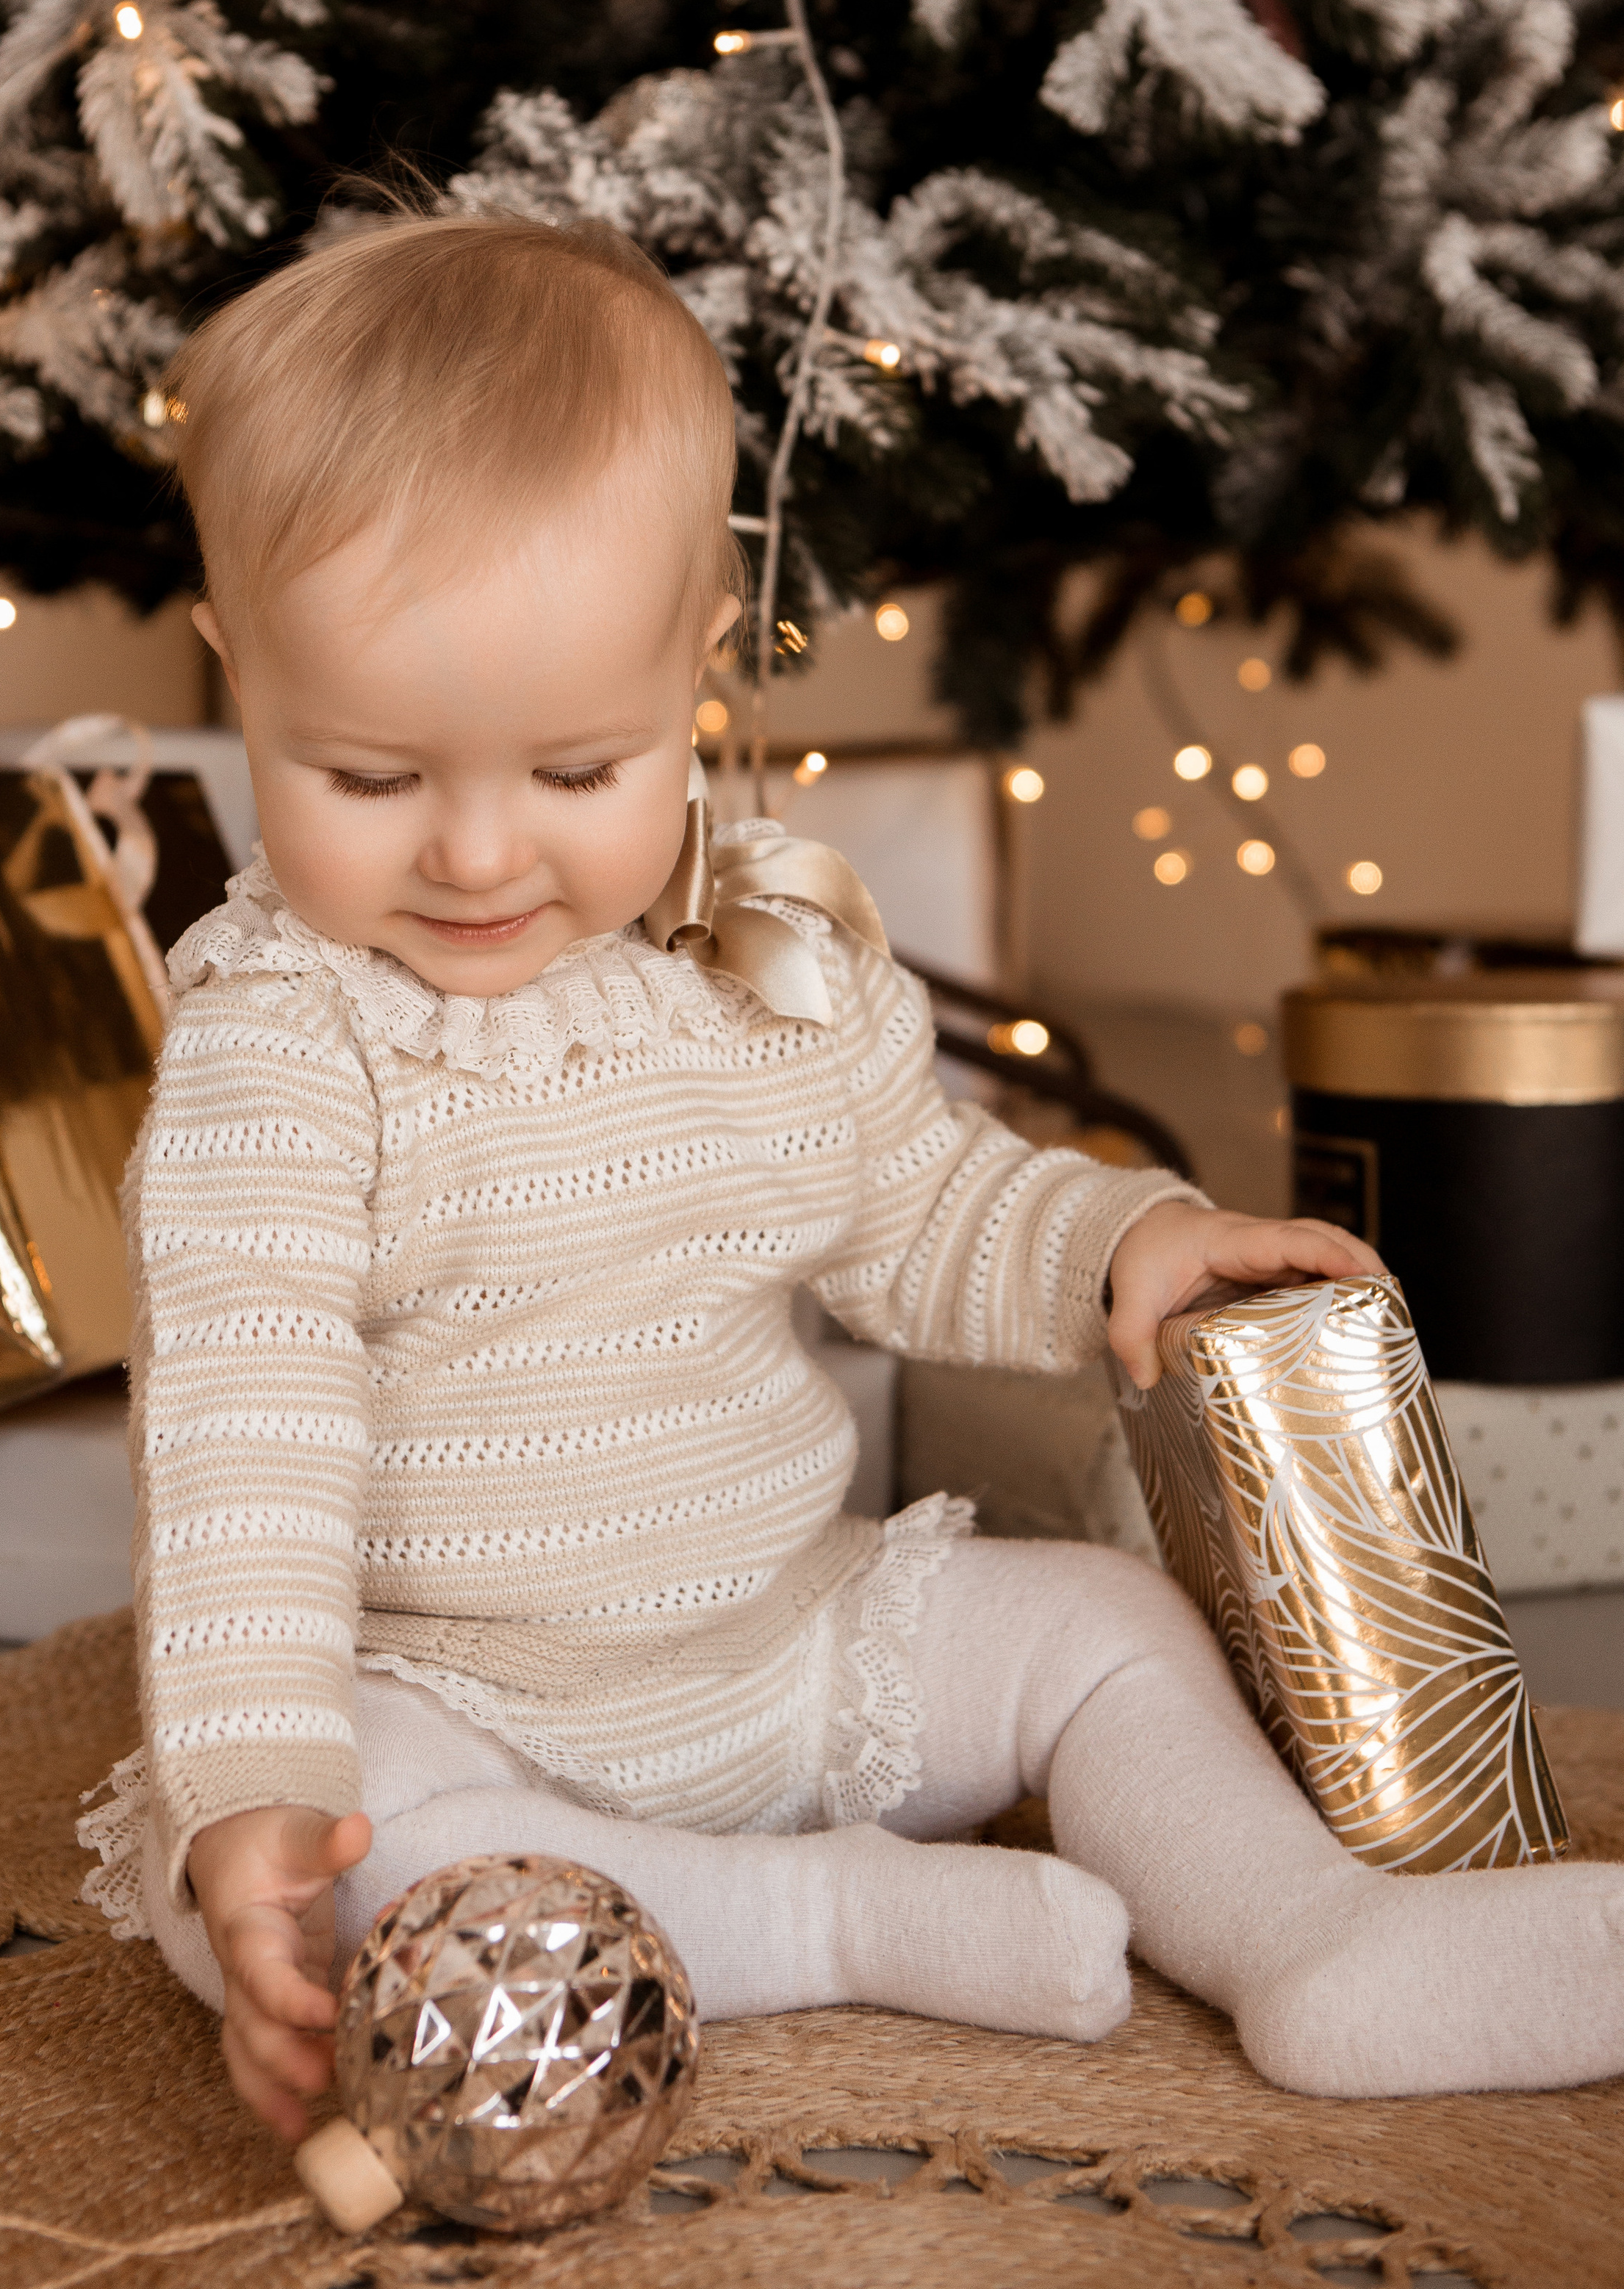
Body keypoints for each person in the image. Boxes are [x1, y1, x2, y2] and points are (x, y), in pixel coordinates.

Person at [79, 211, 1624, 2142]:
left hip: (790, 1649)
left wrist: (1121, 1239)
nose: (476, 855)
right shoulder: (283, 1045)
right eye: (369, 779)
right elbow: (245, 1443)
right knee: (343, 1887)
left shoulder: (761, 955)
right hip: (462, 1702)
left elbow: (920, 1204)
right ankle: (835, 1922)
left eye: (578, 771)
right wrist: (255, 1792)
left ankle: (1315, 1939)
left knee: (1102, 1632)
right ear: (238, 672)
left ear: (700, 662)